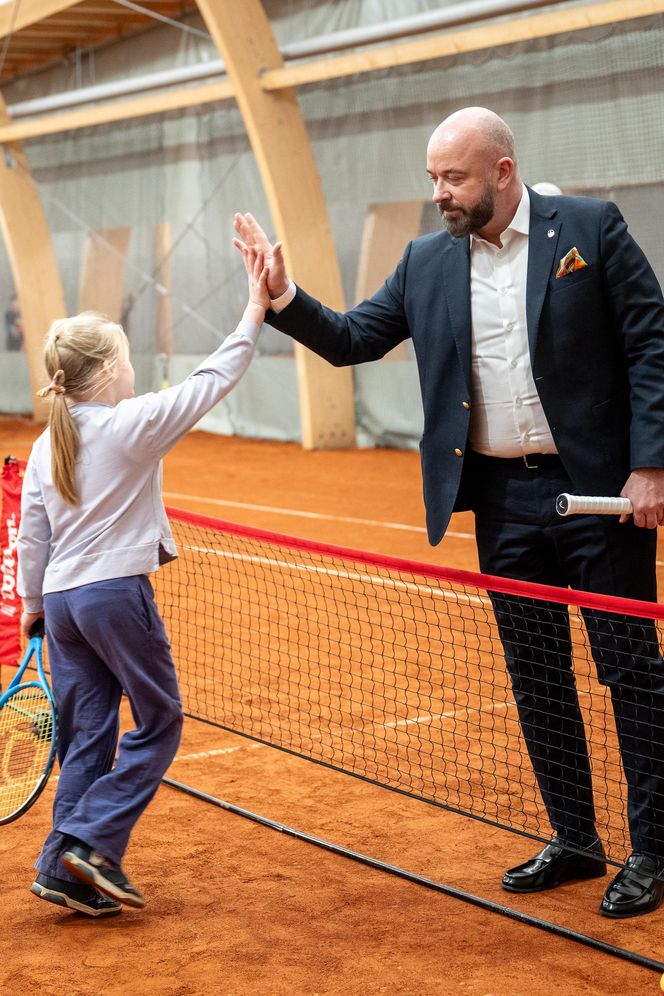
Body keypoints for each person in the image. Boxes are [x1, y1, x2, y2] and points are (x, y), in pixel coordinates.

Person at [233, 106, 664, 919]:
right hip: (501, 502)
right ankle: (575, 838)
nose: (438, 193)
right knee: (538, 677)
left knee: (630, 672)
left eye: (453, 177)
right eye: (432, 177)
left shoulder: (590, 228)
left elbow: (650, 343)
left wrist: (650, 465)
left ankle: (655, 849)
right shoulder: (426, 261)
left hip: (601, 495)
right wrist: (283, 294)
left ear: (503, 171)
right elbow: (355, 335)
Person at [17, 248, 271, 918]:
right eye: (125, 359)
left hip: (65, 608)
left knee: (87, 737)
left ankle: (60, 870)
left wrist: (30, 607)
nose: (133, 370)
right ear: (104, 373)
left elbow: (31, 539)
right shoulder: (133, 425)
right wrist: (255, 308)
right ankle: (89, 842)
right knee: (159, 721)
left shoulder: (48, 445)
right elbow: (214, 378)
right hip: (114, 599)